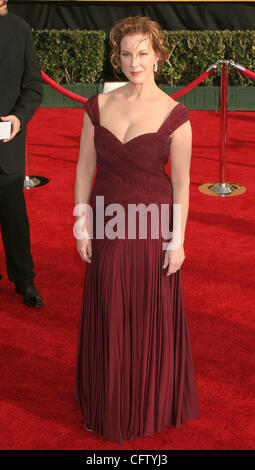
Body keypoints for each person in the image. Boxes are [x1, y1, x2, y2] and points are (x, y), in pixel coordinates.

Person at [74, 15, 199, 445]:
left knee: (146, 316)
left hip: (150, 229)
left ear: (158, 55)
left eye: (143, 53)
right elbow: (85, 167)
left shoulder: (175, 115)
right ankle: (107, 399)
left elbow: (182, 182)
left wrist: (177, 240)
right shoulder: (98, 106)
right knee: (109, 309)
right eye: (126, 54)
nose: (134, 61)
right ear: (117, 57)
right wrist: (80, 224)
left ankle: (146, 400)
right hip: (108, 225)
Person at [0, 1, 44, 307]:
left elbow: (33, 86)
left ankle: (24, 279)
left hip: (7, 142)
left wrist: (18, 118)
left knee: (14, 215)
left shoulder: (19, 30)